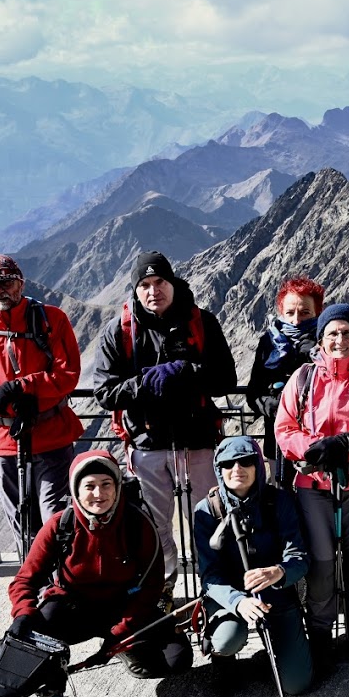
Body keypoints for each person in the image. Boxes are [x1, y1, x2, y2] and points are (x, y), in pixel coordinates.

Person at [6, 450, 193, 697]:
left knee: (176, 659)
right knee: (42, 628)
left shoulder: (137, 524)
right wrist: (23, 613)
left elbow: (152, 586)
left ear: (118, 487)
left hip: (124, 607)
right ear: (76, 490)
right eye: (90, 486)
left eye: (107, 485)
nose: (98, 494)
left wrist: (120, 632)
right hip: (73, 607)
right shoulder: (60, 524)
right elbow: (25, 579)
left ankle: (127, 650)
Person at [93, 251, 237, 591]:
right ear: (135, 290)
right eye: (144, 284)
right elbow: (105, 392)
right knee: (155, 527)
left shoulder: (202, 322)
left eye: (159, 282)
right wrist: (144, 383)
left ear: (172, 283)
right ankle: (162, 590)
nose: (153, 290)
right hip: (148, 447)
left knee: (209, 522)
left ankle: (216, 591)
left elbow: (225, 379)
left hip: (198, 442)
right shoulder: (120, 332)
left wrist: (186, 372)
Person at [275, 303, 349, 677]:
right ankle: (322, 635)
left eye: (346, 333)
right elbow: (284, 429)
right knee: (322, 564)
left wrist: (346, 443)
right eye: (332, 334)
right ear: (321, 338)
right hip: (313, 485)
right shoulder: (303, 379)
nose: (340, 340)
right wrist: (313, 448)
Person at [0, 254, 84, 553]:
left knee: (57, 519)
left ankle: (62, 586)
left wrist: (20, 386)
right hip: (3, 442)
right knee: (22, 523)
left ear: (20, 283)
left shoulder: (51, 319)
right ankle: (35, 588)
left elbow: (67, 375)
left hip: (52, 437)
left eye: (5, 282)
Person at [193, 436, 311, 697]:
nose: (237, 469)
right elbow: (209, 576)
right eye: (228, 464)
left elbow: (300, 557)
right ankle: (224, 659)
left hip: (276, 594)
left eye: (246, 461)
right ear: (218, 469)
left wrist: (279, 572)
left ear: (258, 465)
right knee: (226, 640)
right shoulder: (207, 510)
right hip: (230, 598)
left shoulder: (280, 501)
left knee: (297, 685)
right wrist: (238, 602)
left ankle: (274, 653)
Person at [246, 276, 324, 478]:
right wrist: (273, 406)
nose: (296, 320)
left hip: (317, 443)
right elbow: (254, 393)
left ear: (318, 312)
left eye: (305, 313)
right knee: (284, 502)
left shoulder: (327, 342)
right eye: (289, 312)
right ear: (281, 312)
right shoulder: (269, 343)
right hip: (278, 443)